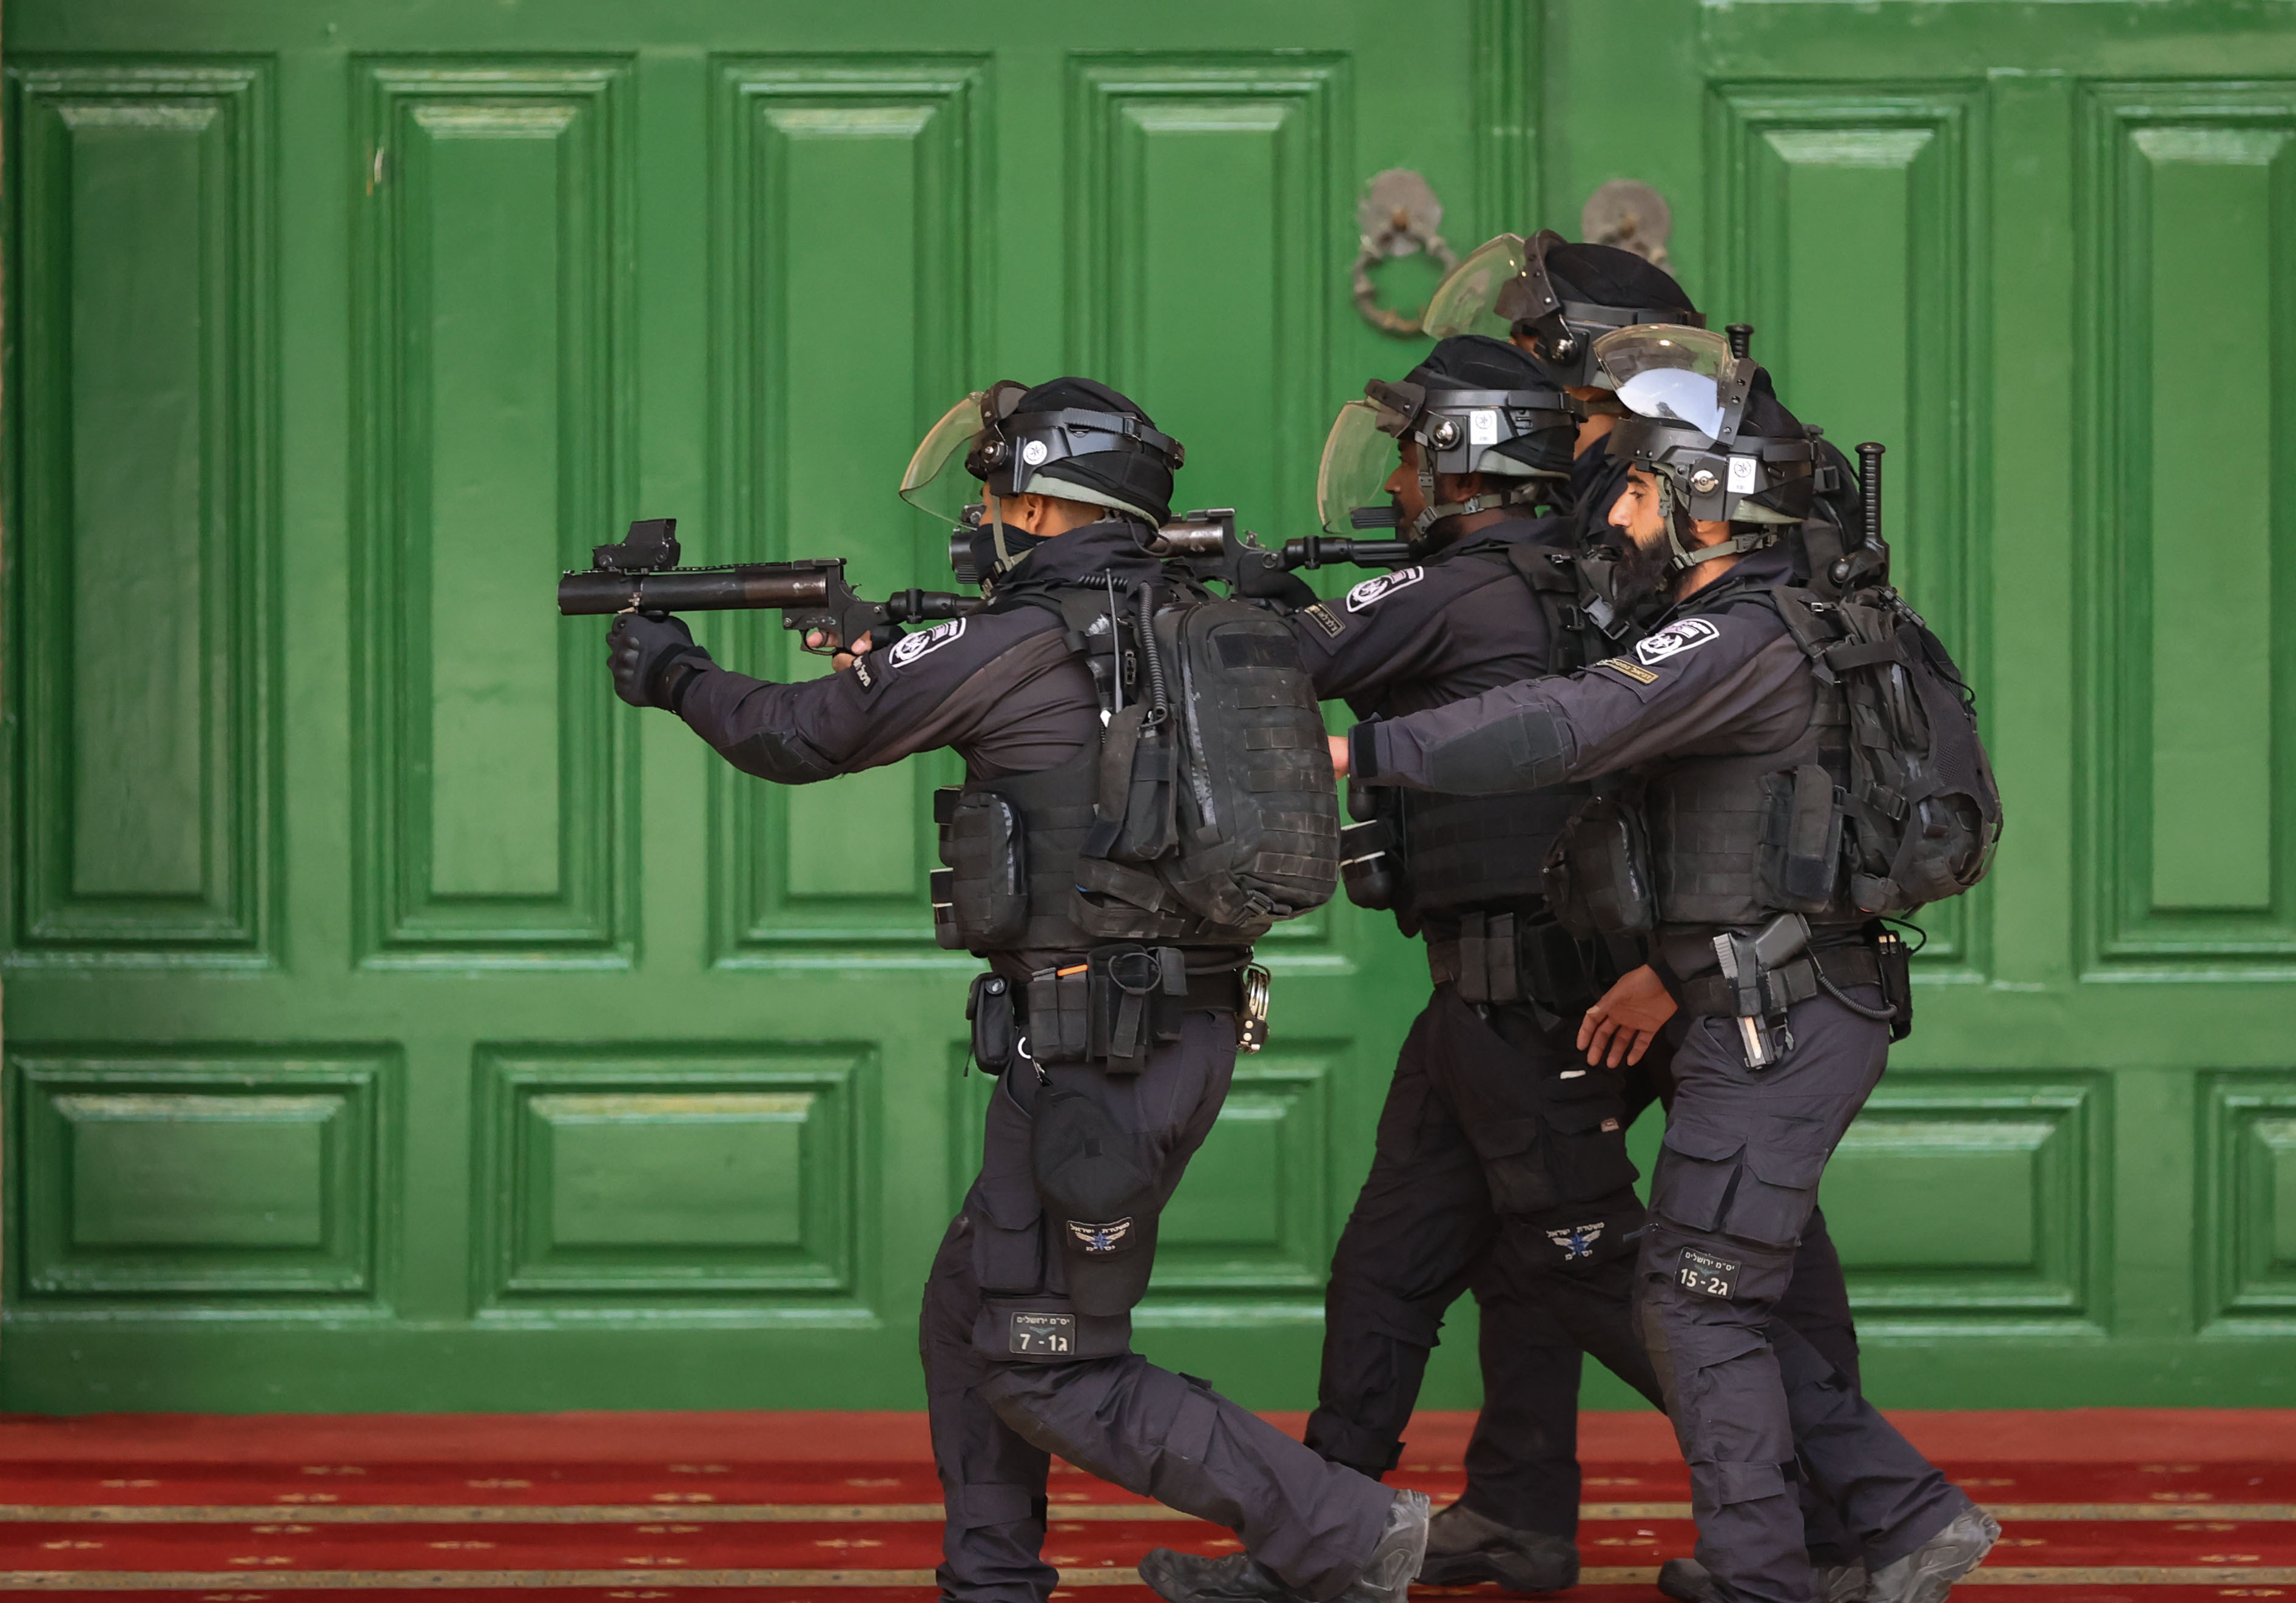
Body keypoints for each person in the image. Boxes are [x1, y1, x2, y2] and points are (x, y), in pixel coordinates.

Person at [599, 378, 1430, 1603]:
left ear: (1038, 502)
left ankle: (1351, 1534)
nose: (981, 515)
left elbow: (798, 734)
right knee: (969, 1308)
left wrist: (676, 672)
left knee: (1048, 1364)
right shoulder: (1198, 621)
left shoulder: (1021, 637)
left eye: (993, 492)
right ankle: (991, 1576)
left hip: (1100, 1049)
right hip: (1170, 1027)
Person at [1328, 352, 2001, 1603]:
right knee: (1699, 1294)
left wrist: (1360, 751)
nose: (1617, 511)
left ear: (1704, 503)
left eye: (1640, 490)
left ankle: (1840, 1545)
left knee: (1699, 1298)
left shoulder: (1733, 634)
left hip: (1775, 1016)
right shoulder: (1800, 618)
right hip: (1765, 998)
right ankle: (1843, 1539)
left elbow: (1570, 722)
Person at [1141, 334, 1663, 1603]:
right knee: (1392, 1263)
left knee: (1600, 1270)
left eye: (1412, 454)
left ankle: (1860, 1499)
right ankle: (1329, 1541)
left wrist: (1197, 600)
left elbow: (1261, 670)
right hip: (1520, 986)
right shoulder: (1576, 577)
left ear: (1467, 460)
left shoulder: (1463, 585)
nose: (1394, 480)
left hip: (1524, 990)